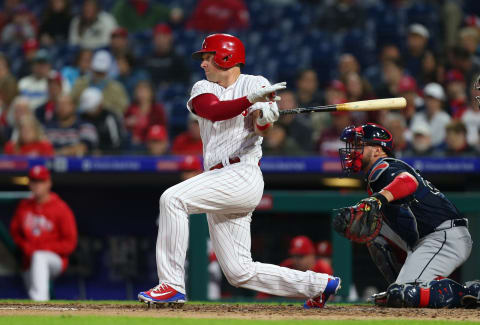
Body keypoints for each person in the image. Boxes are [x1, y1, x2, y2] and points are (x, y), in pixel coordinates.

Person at [138, 33, 340, 309]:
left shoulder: (256, 83)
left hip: (241, 173)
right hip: (218, 177)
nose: (203, 64)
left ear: (226, 57)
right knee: (238, 272)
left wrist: (265, 119)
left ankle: (172, 285)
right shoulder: (202, 87)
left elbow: (260, 126)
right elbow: (213, 110)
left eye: (208, 57)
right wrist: (249, 102)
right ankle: (319, 285)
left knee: (172, 199)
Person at [334, 123, 475, 308]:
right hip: (426, 239)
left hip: (443, 236)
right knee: (375, 230)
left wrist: (377, 200)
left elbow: (408, 182)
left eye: (359, 144)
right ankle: (402, 285)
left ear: (377, 149)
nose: (353, 150)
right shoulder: (377, 175)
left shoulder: (384, 166)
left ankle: (471, 292)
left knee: (406, 295)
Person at [10, 165, 78, 301]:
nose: (37, 185)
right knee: (34, 282)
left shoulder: (60, 208)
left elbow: (70, 243)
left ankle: (40, 305)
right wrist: (24, 245)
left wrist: (42, 248)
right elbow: (14, 232)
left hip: (55, 260)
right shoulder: (24, 206)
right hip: (28, 261)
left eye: (41, 181)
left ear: (48, 183)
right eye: (34, 181)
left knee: (39, 256)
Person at [71, 50, 129, 117]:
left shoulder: (117, 88)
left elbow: (123, 109)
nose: (98, 75)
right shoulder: (81, 83)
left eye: (101, 72)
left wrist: (102, 108)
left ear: (107, 71)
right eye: (97, 71)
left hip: (105, 120)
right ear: (92, 68)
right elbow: (71, 102)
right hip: (82, 118)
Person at [78, 87, 126, 154]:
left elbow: (116, 144)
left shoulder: (110, 118)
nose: (88, 112)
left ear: (99, 105)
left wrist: (102, 152)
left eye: (91, 108)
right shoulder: (82, 117)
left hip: (108, 159)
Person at [124, 80, 167, 146]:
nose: (142, 94)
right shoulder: (130, 109)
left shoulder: (158, 110)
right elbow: (124, 127)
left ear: (151, 93)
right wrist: (127, 123)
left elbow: (161, 129)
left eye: (145, 91)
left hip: (153, 143)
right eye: (139, 91)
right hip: (133, 144)